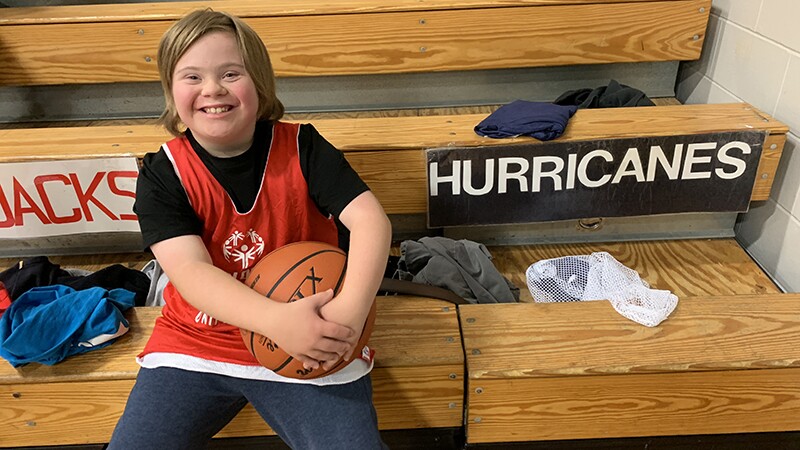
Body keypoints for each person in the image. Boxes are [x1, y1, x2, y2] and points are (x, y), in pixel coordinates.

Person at [108, 8, 391, 450]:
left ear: (259, 81)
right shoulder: (164, 173)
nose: (212, 90)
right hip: (198, 341)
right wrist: (276, 321)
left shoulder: (304, 147)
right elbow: (192, 274)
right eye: (192, 77)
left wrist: (350, 312)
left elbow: (371, 221)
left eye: (230, 73)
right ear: (170, 90)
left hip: (313, 334)